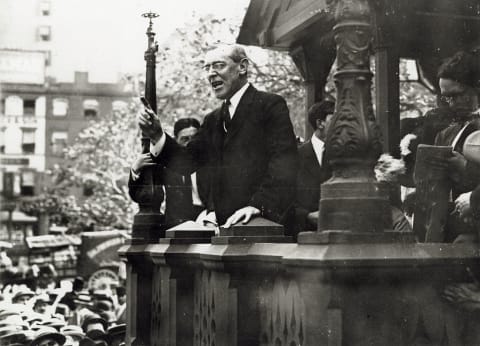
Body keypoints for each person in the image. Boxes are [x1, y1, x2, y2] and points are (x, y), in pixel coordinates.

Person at [137, 44, 298, 228]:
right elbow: (186, 162)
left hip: (266, 226)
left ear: (242, 67)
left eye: (219, 65)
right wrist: (157, 135)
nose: (210, 74)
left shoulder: (269, 105)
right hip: (227, 231)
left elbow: (284, 162)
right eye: (207, 68)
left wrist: (257, 206)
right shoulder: (213, 120)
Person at [431, 50, 480, 242]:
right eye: (446, 98)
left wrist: (465, 169)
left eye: (456, 96)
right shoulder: (446, 134)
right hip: (448, 232)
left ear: (476, 88)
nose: (451, 104)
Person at [130, 117, 208, 227]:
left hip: (205, 222)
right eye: (185, 139)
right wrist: (135, 169)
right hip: (174, 225)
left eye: (194, 139)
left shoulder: (207, 161)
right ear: (175, 140)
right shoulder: (166, 164)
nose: (190, 144)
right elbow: (137, 194)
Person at [293, 101, 334, 236]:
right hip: (303, 236)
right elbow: (284, 198)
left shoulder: (346, 155)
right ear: (320, 123)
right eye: (335, 119)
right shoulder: (295, 157)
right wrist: (307, 216)